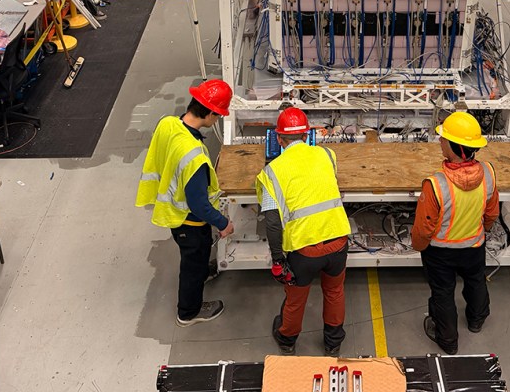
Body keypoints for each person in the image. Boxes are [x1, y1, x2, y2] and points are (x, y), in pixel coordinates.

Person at [135, 79, 235, 327]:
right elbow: (199, 205)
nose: (218, 120)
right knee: (193, 262)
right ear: (210, 113)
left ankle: (203, 272)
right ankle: (188, 312)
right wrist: (223, 223)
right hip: (189, 222)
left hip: (173, 213)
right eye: (219, 115)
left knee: (196, 260)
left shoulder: (169, 124)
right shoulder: (194, 157)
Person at [257, 107, 350, 356]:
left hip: (304, 249)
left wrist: (278, 260)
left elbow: (273, 223)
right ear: (307, 134)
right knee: (334, 291)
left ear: (279, 138)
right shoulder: (327, 155)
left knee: (296, 297)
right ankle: (333, 343)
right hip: (338, 240)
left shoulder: (272, 172)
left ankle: (287, 338)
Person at [411, 112, 499, 356]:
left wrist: (420, 247)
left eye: (443, 139)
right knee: (476, 281)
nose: (439, 141)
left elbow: (423, 228)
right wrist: (480, 232)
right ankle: (477, 319)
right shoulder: (489, 173)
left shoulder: (436, 185)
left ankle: (448, 340)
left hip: (441, 254)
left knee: (442, 293)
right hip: (474, 247)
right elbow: (491, 213)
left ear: (453, 147)